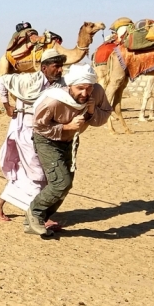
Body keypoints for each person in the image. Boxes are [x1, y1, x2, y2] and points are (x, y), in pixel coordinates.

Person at [24, 63, 113, 237]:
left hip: (71, 141)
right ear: (70, 85)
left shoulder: (97, 92)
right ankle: (34, 213)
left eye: (88, 88)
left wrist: (91, 112)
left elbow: (104, 115)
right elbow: (39, 127)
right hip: (47, 140)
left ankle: (37, 220)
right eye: (80, 88)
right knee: (60, 182)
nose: (85, 93)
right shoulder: (53, 100)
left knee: (66, 185)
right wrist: (66, 127)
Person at [0, 49, 66, 229]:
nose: (60, 70)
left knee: (32, 173)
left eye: (61, 66)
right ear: (44, 68)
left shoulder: (60, 84)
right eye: (56, 66)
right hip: (25, 131)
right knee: (38, 173)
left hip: (46, 133)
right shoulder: (28, 80)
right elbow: (1, 80)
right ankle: (36, 215)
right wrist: (7, 105)